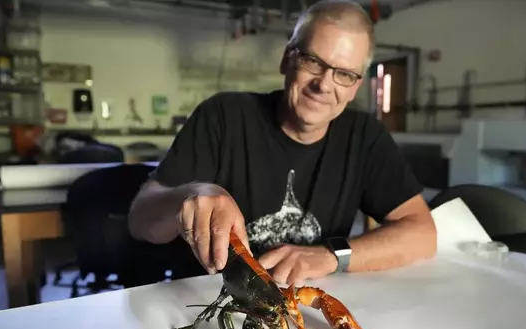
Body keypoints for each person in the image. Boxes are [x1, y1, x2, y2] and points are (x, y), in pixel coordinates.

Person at [127, 0, 437, 285]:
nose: (323, 85)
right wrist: (190, 194)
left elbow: (422, 233)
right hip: (208, 303)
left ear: (355, 86)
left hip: (301, 303)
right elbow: (139, 220)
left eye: (344, 74)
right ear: (287, 59)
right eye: (313, 61)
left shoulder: (365, 136)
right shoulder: (223, 116)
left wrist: (332, 256)